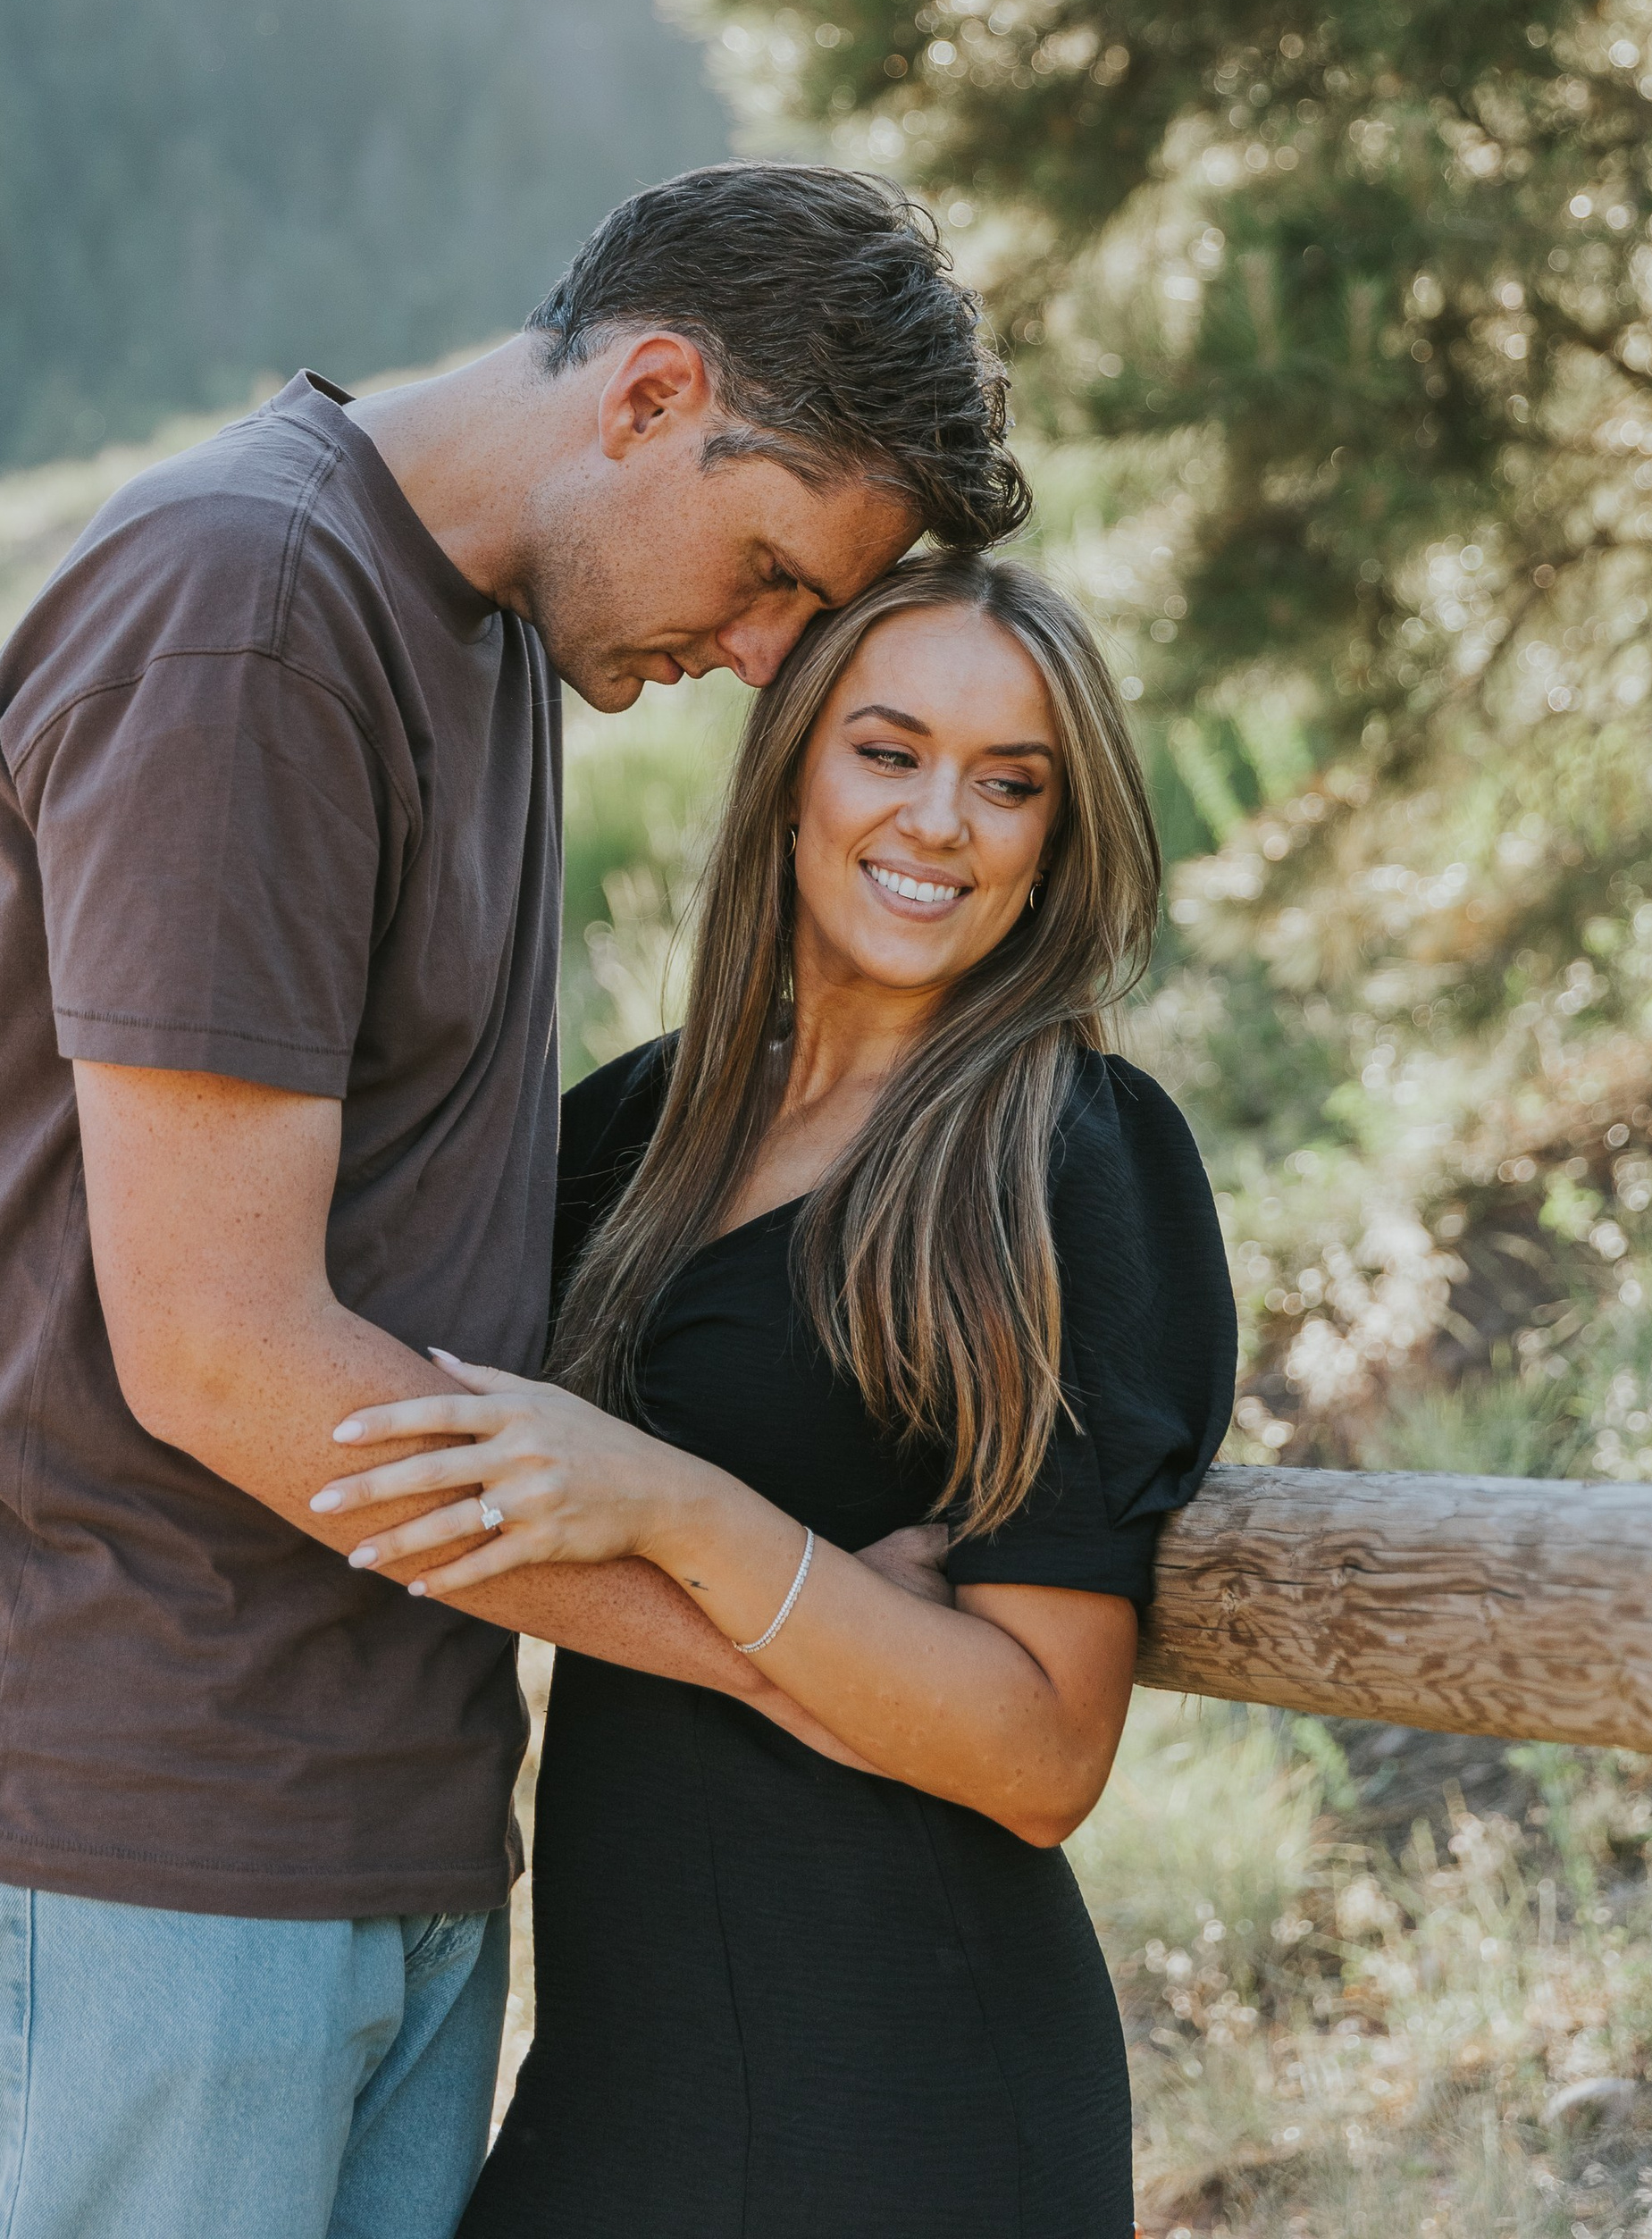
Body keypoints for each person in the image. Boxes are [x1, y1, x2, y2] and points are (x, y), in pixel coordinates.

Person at [0, 162, 1029, 2239]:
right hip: (134, 1817)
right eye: (762, 571)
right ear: (648, 393)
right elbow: (217, 1350)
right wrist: (780, 1649)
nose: (756, 658)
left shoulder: (474, 632)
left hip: (369, 1811)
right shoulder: (250, 616)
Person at [321, 549, 1237, 2239]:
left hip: (909, 2099)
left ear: (1058, 836)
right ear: (796, 768)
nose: (939, 821)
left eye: (1008, 782)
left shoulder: (1066, 1158)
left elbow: (1043, 1749)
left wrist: (675, 1509)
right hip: (622, 2073)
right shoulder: (643, 1131)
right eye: (888, 753)